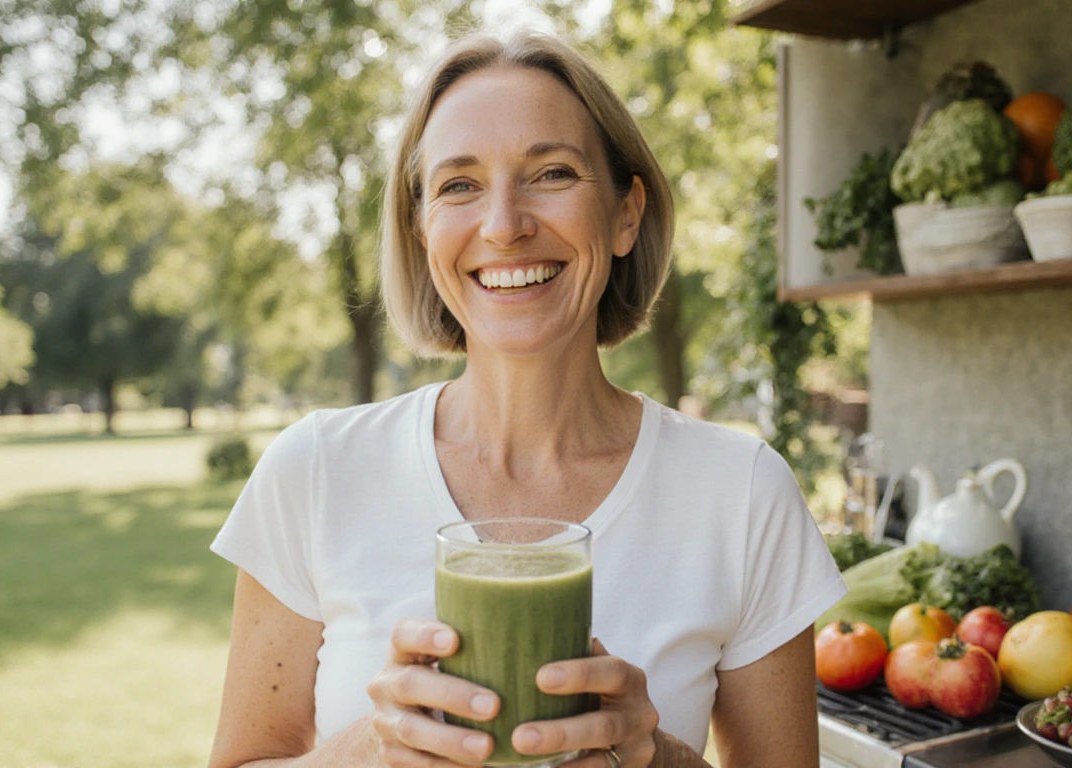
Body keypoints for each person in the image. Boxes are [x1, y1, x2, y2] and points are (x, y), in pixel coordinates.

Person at [207, 31, 847, 768]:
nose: (505, 225)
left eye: (551, 173)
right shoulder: (314, 471)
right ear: (422, 233)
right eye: (458, 185)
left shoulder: (742, 494)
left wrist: (654, 758)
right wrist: (371, 748)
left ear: (625, 215)